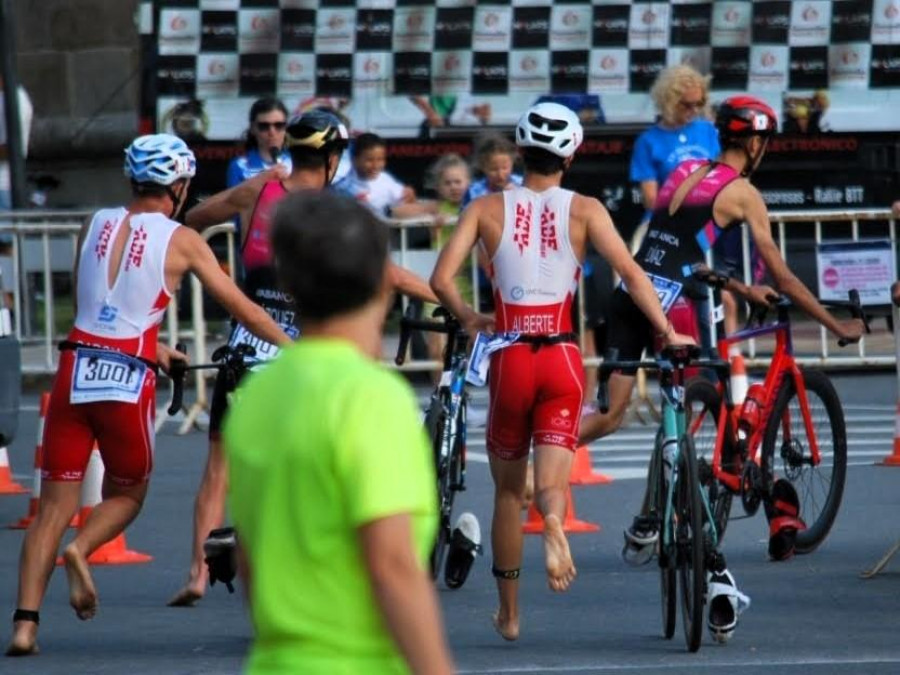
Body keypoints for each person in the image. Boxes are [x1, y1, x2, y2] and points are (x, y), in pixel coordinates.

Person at [578, 96, 864, 639]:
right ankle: (686, 501)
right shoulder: (745, 194)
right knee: (703, 397)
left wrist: (735, 286)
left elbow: (674, 249)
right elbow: (782, 276)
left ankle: (552, 470)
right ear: (754, 143)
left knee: (616, 414)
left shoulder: (684, 170)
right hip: (676, 305)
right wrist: (835, 325)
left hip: (631, 292)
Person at [5, 134, 291, 657]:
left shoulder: (96, 222)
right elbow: (244, 309)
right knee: (130, 492)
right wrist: (297, 349)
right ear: (180, 186)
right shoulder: (181, 239)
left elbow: (100, 306)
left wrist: (155, 344)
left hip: (74, 369)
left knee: (50, 508)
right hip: (125, 382)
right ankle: (82, 551)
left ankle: (25, 625)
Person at [430, 102, 692, 642]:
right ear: (571, 155)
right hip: (561, 356)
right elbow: (632, 274)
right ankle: (553, 519)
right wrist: (666, 330)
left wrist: (470, 317)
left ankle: (510, 614)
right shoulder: (586, 208)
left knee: (506, 494)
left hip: (509, 354)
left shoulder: (485, 208)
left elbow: (439, 279)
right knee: (550, 484)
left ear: (521, 151)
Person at [167, 110, 437, 608]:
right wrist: (450, 301)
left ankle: (196, 574)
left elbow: (193, 220)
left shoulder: (258, 189)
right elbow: (390, 275)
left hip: (246, 351)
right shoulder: (332, 213)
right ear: (334, 159)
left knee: (219, 469)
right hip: (303, 363)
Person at [223, 190, 454, 674]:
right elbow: (391, 564)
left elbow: (250, 558)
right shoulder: (372, 397)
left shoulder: (257, 397)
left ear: (288, 284)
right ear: (383, 284)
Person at [334, 132, 433, 219]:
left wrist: (411, 198)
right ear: (354, 160)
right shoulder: (342, 186)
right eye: (369, 160)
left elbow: (407, 204)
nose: (375, 165)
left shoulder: (386, 181)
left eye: (380, 159)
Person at [0, 75, 33, 302]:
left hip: (4, 183)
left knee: (6, 246)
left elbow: (11, 146)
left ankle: (10, 302)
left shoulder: (13, 98)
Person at [226, 97, 292, 189]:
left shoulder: (297, 163)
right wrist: (263, 180)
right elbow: (234, 201)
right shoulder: (240, 166)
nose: (272, 132)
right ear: (253, 128)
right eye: (264, 126)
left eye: (279, 125)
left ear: (286, 128)